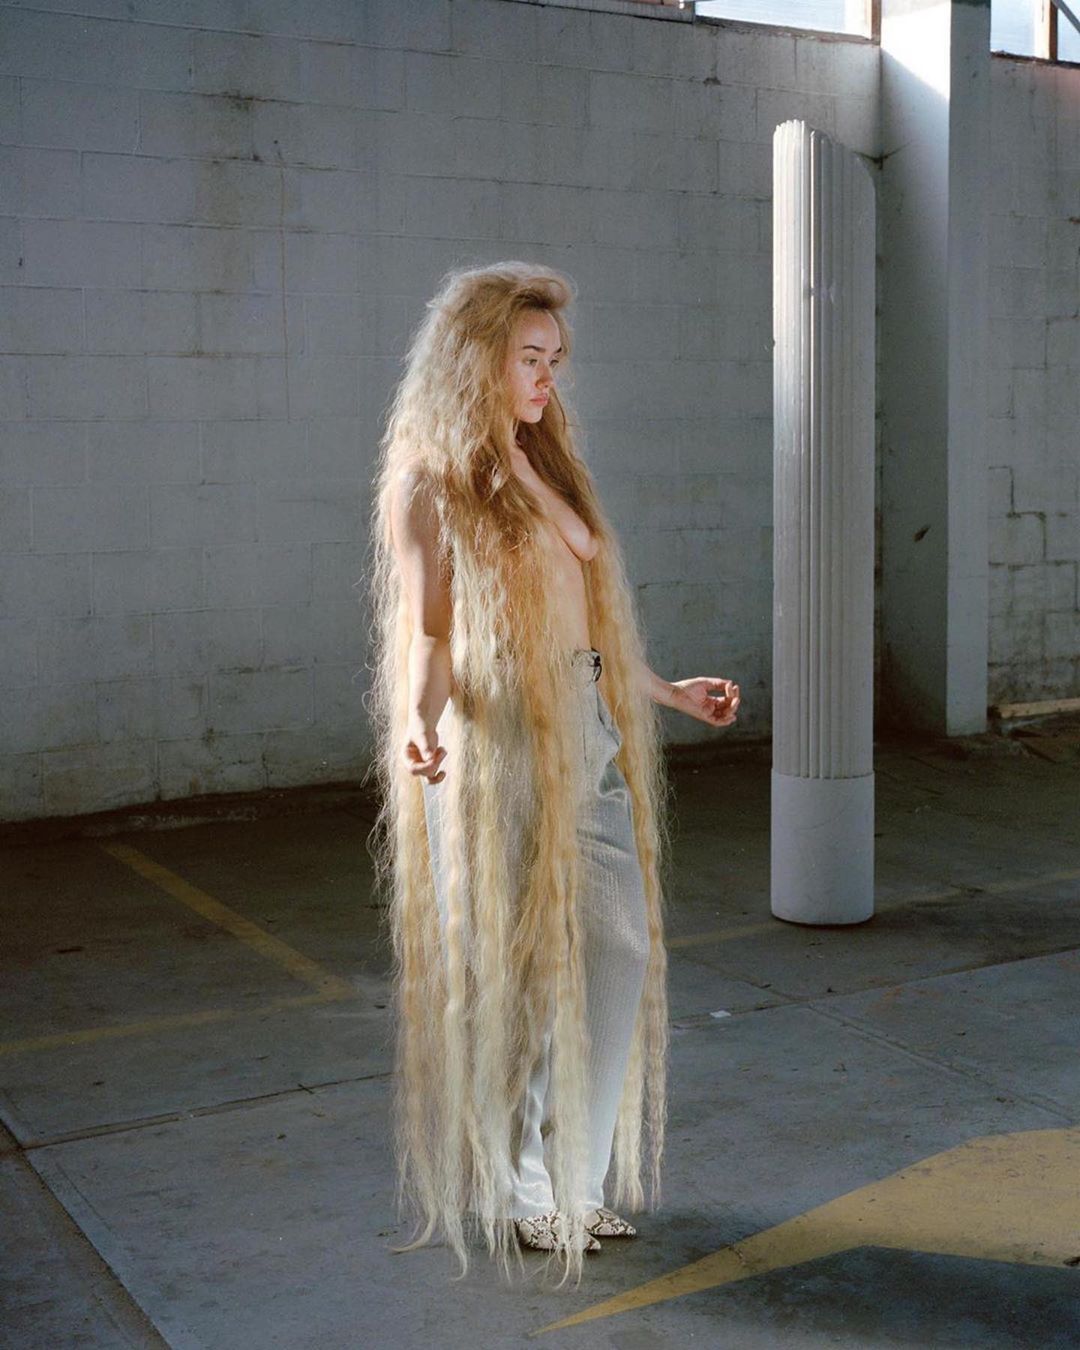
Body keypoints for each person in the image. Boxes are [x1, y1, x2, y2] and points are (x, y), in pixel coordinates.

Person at [367, 262, 739, 1283]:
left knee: (617, 945)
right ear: (474, 359)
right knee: (526, 971)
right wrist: (420, 720)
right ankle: (523, 1192)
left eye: (554, 360)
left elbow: (591, 623)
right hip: (507, 742)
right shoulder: (429, 484)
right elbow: (432, 635)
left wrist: (668, 693)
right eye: (529, 358)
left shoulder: (545, 460)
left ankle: (572, 1179)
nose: (546, 377)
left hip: (588, 724)